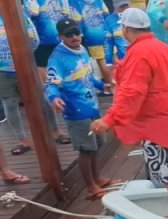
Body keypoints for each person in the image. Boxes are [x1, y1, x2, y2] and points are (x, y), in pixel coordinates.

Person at [90, 8, 168, 219]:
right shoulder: (162, 47)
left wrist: (109, 119)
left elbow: (132, 94)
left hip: (158, 122)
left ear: (126, 28)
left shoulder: (139, 54)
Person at [46, 17, 117, 198]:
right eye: (69, 34)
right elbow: (51, 83)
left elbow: (89, 76)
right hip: (76, 111)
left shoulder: (83, 50)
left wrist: (104, 86)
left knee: (97, 144)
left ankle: (98, 178)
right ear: (61, 36)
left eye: (76, 32)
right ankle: (91, 187)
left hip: (92, 106)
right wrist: (54, 98)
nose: (74, 37)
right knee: (85, 149)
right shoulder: (57, 59)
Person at [0, 1, 41, 156]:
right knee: (9, 105)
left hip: (24, 67)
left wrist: (24, 56)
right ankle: (22, 140)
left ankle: (55, 131)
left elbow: (35, 40)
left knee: (39, 100)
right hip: (3, 71)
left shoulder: (20, 16)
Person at [28, 0, 72, 143]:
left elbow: (67, 17)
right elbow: (31, 14)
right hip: (42, 47)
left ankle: (73, 123)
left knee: (68, 84)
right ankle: (56, 130)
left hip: (61, 45)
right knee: (50, 87)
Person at [69, 0, 112, 86]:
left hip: (92, 36)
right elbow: (106, 13)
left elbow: (77, 20)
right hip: (105, 32)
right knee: (111, 60)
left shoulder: (75, 2)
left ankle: (110, 85)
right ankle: (116, 83)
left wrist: (78, 35)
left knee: (101, 61)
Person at [103, 0, 129, 69]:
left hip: (139, 57)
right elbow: (108, 43)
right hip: (123, 61)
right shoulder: (109, 20)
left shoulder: (136, 16)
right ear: (115, 6)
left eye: (126, 5)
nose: (124, 9)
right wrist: (108, 62)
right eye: (121, 6)